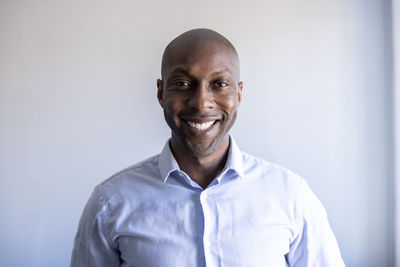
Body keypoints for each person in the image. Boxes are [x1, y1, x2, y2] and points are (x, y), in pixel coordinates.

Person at [71, 28, 345, 267]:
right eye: (182, 83)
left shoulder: (291, 196)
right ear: (160, 92)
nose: (202, 103)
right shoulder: (110, 202)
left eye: (219, 84)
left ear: (238, 94)